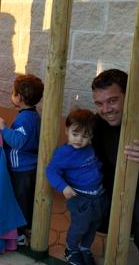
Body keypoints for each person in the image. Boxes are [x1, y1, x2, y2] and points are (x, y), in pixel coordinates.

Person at [91, 69, 139, 265]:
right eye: (99, 103)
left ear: (130, 95)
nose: (106, 109)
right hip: (122, 191)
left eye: (112, 100)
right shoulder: (99, 124)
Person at [46, 108, 108, 265]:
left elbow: (92, 165)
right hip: (80, 198)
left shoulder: (89, 148)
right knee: (80, 227)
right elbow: (51, 171)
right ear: (67, 130)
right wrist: (63, 187)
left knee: (93, 225)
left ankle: (84, 248)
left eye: (85, 136)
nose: (79, 140)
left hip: (98, 196)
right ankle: (71, 249)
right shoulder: (64, 153)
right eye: (75, 134)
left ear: (91, 137)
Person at [0, 74, 43, 246]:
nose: (11, 96)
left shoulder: (25, 118)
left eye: (12, 93)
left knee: (19, 200)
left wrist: (3, 128)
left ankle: (20, 234)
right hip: (29, 167)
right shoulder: (34, 116)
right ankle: (27, 227)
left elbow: (18, 141)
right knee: (26, 199)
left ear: (20, 98)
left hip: (21, 169)